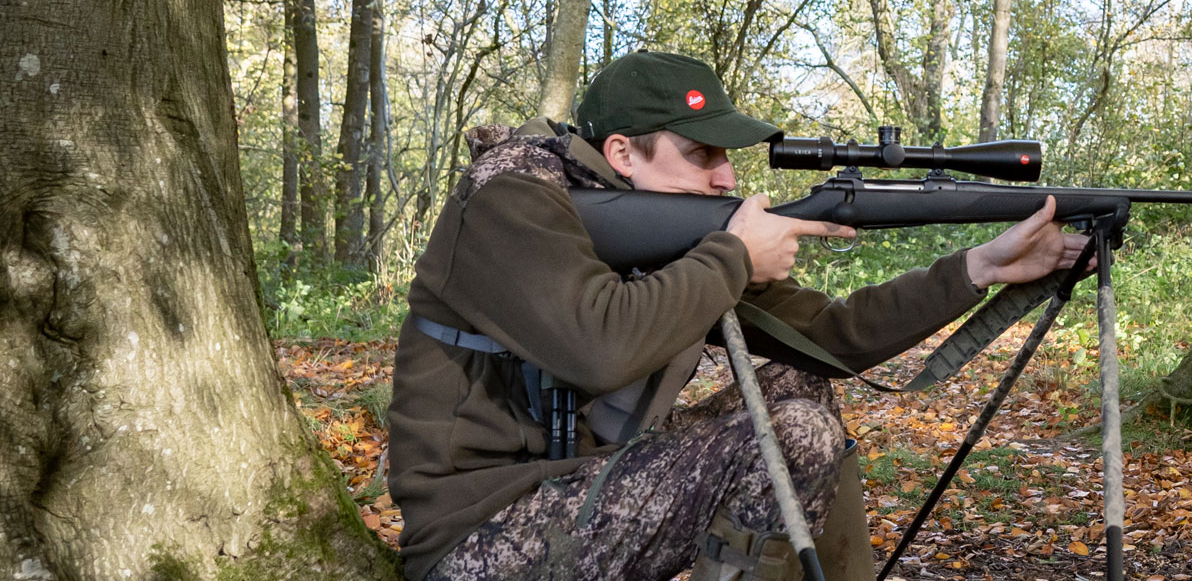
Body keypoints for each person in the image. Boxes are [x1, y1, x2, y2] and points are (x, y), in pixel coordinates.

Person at [387, 51, 1089, 581]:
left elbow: (830, 337)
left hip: (579, 492)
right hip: (479, 537)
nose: (726, 176)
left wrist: (983, 267)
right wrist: (731, 257)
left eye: (726, 155)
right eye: (702, 154)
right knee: (791, 436)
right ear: (623, 154)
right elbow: (595, 347)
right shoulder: (510, 195)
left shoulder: (672, 232)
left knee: (799, 392)